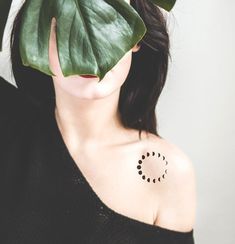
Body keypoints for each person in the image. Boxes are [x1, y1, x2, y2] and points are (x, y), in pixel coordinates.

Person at [0, 0, 196, 243]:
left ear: (136, 38)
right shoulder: (8, 124)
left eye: (106, 17)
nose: (87, 46)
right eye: (67, 21)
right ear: (37, 31)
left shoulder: (166, 172)